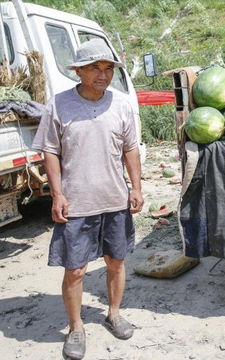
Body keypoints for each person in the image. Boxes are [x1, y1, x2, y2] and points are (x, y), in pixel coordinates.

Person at [32, 38, 143, 360]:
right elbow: (50, 151)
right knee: (76, 269)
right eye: (94, 67)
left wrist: (136, 188)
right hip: (77, 203)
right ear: (78, 71)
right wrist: (57, 194)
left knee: (116, 261)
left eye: (108, 68)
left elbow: (130, 149)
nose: (102, 74)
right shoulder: (59, 105)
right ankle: (76, 327)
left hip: (114, 199)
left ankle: (113, 313)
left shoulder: (121, 104)